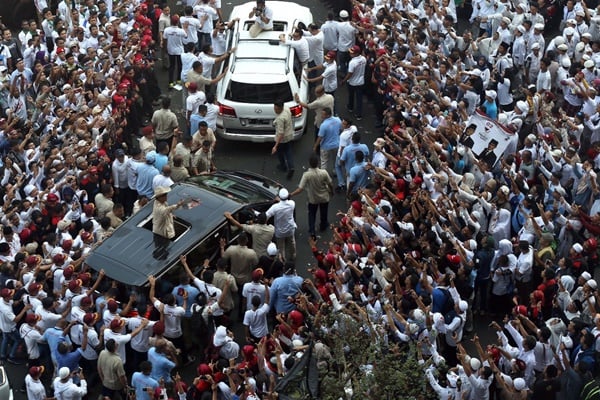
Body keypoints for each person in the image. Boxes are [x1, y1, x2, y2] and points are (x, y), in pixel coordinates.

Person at [290, 154, 333, 238]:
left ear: (309, 163)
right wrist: (332, 192)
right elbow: (330, 183)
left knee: (312, 214)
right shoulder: (324, 172)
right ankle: (323, 225)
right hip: (324, 197)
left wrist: (291, 194)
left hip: (313, 198)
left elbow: (300, 188)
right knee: (324, 212)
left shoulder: (307, 175)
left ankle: (312, 230)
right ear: (318, 163)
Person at [151, 186, 185, 259]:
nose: (166, 196)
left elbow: (167, 211)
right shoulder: (159, 208)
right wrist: (178, 205)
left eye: (165, 194)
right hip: (161, 234)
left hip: (160, 228)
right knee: (163, 247)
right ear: (159, 197)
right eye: (164, 195)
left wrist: (171, 215)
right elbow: (166, 210)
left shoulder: (161, 202)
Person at [266, 188, 297, 262]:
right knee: (292, 242)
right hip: (290, 229)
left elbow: (266, 215)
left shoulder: (275, 207)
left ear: (279, 196)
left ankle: (282, 259)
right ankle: (293, 256)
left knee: (281, 246)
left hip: (279, 232)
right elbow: (286, 202)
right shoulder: (292, 204)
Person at [341, 45, 366, 120]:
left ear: (357, 53)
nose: (350, 54)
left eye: (352, 53)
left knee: (351, 96)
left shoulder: (352, 62)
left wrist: (344, 80)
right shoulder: (363, 59)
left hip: (352, 82)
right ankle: (359, 114)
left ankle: (350, 107)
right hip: (361, 81)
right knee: (359, 99)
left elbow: (350, 73)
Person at [272, 100, 295, 179]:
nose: (275, 110)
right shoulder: (286, 109)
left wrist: (275, 146)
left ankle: (283, 166)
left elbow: (281, 133)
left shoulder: (280, 119)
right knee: (288, 152)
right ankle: (291, 167)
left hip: (282, 139)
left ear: (280, 108)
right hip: (289, 134)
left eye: (276, 109)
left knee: (280, 153)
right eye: (274, 108)